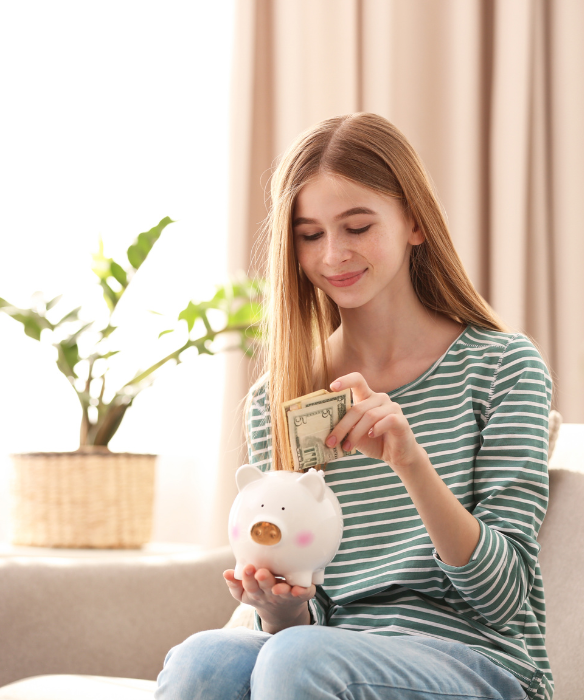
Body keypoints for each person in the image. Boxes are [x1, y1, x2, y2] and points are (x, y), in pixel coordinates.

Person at [154, 112, 553, 700]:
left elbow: (505, 594)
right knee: (203, 660)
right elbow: (306, 622)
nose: (333, 254)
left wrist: (410, 461)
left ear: (415, 222)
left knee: (299, 660)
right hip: (323, 653)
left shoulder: (501, 367)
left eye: (357, 226)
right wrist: (278, 606)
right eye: (311, 234)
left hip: (481, 664)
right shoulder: (280, 397)